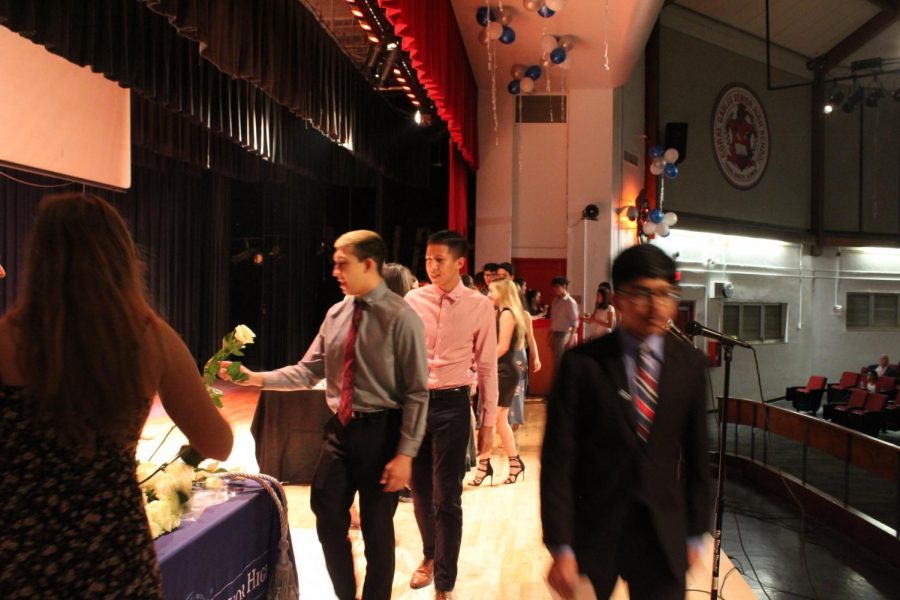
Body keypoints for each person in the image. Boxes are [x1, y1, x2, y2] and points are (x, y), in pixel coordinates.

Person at [0, 192, 233, 597]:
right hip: (114, 555)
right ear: (121, 256)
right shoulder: (151, 339)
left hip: (19, 559)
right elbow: (219, 442)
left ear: (39, 258)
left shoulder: (4, 339)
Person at [221, 230, 429, 600]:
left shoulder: (402, 317)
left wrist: (406, 453)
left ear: (368, 264)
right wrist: (253, 379)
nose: (334, 271)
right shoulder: (336, 314)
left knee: (377, 531)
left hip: (384, 433)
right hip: (340, 431)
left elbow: (416, 392)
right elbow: (306, 372)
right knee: (327, 513)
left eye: (341, 263)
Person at [541, 243, 711, 600]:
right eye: (642, 294)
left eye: (666, 294)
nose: (656, 306)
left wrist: (696, 532)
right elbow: (558, 461)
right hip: (593, 531)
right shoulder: (582, 365)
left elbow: (699, 457)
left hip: (663, 533)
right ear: (617, 298)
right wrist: (561, 546)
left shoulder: (689, 364)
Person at [405, 230, 498, 600]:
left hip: (453, 404)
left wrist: (488, 421)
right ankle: (429, 555)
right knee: (419, 491)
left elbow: (487, 366)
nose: (432, 267)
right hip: (413, 404)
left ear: (460, 263)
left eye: (439, 260)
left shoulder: (479, 305)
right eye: (427, 259)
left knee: (448, 495)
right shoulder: (412, 299)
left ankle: (444, 580)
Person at [469, 278, 527, 488]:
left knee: (491, 420)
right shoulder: (502, 312)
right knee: (499, 421)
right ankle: (514, 463)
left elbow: (502, 347)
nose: (489, 293)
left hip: (503, 371)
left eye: (492, 290)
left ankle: (484, 466)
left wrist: (478, 363)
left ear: (503, 292)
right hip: (500, 370)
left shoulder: (507, 313)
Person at [549, 276, 579, 368]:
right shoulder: (555, 301)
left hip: (564, 334)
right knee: (556, 360)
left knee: (561, 361)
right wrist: (550, 332)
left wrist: (570, 340)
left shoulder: (570, 302)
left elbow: (575, 322)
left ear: (564, 286)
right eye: (554, 287)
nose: (555, 289)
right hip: (555, 333)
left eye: (557, 286)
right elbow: (554, 318)